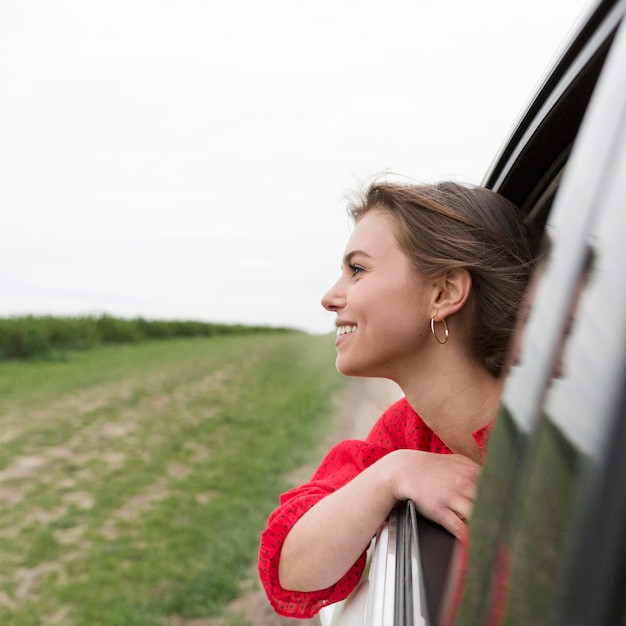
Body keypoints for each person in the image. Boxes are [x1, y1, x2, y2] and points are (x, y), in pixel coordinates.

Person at [258, 180, 537, 619]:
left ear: (444, 293)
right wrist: (392, 474)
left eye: (358, 270)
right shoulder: (407, 432)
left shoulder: (551, 437)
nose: (330, 297)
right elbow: (290, 571)